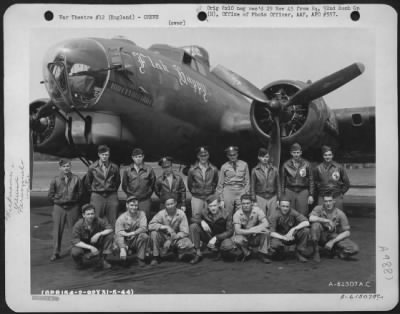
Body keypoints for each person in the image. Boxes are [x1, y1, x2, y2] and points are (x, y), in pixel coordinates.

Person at [48, 159, 82, 261]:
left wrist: (73, 201)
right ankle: (56, 252)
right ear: (60, 168)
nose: (66, 168)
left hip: (73, 207)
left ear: (70, 167)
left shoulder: (76, 179)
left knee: (74, 230)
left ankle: (75, 251)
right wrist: (59, 201)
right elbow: (50, 195)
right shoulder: (55, 179)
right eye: (64, 166)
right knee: (57, 231)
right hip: (59, 207)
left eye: (68, 166)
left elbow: (81, 193)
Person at [309, 193, 359, 263]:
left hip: (333, 237)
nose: (328, 203)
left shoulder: (340, 213)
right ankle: (316, 251)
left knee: (354, 249)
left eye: (330, 201)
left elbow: (347, 232)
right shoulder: (319, 208)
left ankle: (336, 252)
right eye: (326, 201)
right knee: (315, 225)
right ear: (323, 202)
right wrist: (326, 220)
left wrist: (333, 241)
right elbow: (311, 218)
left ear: (334, 201)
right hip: (320, 236)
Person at [148, 196, 195, 265]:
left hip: (176, 237)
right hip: (163, 237)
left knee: (188, 243)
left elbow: (185, 232)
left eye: (172, 204)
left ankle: (178, 251)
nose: (170, 206)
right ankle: (156, 256)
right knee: (154, 233)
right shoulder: (161, 214)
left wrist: (170, 240)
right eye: (168, 204)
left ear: (175, 203)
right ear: (165, 205)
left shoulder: (181, 214)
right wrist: (164, 227)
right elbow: (150, 225)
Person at [189, 194, 234, 264]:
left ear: (219, 204)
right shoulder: (204, 212)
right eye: (210, 206)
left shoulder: (226, 213)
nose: (213, 208)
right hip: (209, 236)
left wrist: (216, 238)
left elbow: (230, 231)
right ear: (208, 206)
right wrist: (202, 221)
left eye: (214, 205)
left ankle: (220, 251)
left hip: (221, 238)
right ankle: (198, 253)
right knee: (193, 226)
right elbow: (192, 219)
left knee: (228, 245)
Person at [268, 195, 312, 262]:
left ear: (290, 206)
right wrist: (283, 237)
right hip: (280, 237)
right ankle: (280, 252)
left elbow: (306, 222)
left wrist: (293, 229)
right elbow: (271, 232)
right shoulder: (274, 215)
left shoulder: (292, 212)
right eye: (283, 206)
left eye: (287, 206)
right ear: (279, 206)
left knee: (306, 231)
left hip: (292, 235)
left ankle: (298, 252)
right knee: (275, 245)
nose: (285, 208)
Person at [85, 145, 121, 226]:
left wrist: (112, 189)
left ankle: (113, 238)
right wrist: (95, 190)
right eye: (103, 155)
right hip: (97, 195)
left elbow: (117, 181)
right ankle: (96, 237)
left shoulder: (114, 167)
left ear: (109, 155)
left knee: (114, 219)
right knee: (95, 219)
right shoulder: (92, 167)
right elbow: (88, 182)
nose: (104, 157)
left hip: (111, 195)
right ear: (99, 155)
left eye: (106, 155)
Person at [71, 204, 114, 269]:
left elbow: (110, 228)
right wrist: (90, 247)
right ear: (83, 215)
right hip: (83, 246)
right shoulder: (78, 225)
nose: (90, 216)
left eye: (92, 213)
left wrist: (99, 234)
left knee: (109, 236)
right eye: (88, 214)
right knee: (75, 251)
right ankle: (79, 262)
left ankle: (103, 260)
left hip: (95, 243)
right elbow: (76, 241)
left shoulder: (98, 220)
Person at [231, 194, 271, 263]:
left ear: (252, 203)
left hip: (255, 236)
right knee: (235, 239)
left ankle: (262, 254)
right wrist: (251, 231)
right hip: (245, 236)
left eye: (248, 203)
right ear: (241, 204)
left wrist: (256, 228)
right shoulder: (237, 214)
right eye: (243, 203)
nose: (246, 205)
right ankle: (247, 253)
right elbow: (237, 231)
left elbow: (266, 223)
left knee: (266, 232)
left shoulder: (257, 210)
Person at [114, 196, 149, 267]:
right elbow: (118, 233)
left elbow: (144, 228)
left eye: (136, 205)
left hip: (135, 238)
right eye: (132, 205)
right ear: (127, 205)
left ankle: (140, 258)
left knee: (144, 236)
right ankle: (123, 258)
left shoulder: (142, 214)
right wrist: (122, 247)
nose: (134, 207)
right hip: (125, 240)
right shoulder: (121, 218)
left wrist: (132, 233)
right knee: (118, 239)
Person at [121, 148, 156, 220]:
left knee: (145, 219)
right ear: (132, 158)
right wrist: (131, 195)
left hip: (144, 200)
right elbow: (124, 185)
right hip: (131, 199)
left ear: (143, 157)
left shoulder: (149, 169)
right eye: (136, 157)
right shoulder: (127, 170)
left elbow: (152, 184)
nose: (138, 159)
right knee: (129, 220)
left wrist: (146, 194)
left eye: (140, 156)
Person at [281, 143, 314, 216]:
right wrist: (282, 195)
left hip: (303, 190)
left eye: (298, 152)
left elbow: (311, 180)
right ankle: (291, 227)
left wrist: (311, 194)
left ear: (301, 152)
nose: (296, 154)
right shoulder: (286, 164)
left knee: (303, 212)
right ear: (291, 153)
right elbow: (282, 181)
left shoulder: (307, 164)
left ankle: (302, 226)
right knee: (289, 212)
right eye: (294, 153)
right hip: (289, 190)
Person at [187, 146, 219, 223]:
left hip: (209, 197)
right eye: (201, 155)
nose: (203, 157)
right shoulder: (192, 169)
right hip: (197, 197)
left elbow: (215, 182)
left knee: (210, 218)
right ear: (198, 156)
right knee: (196, 218)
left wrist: (210, 191)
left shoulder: (214, 169)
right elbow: (190, 184)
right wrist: (196, 192)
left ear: (208, 156)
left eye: (205, 155)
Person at [216, 146, 250, 217]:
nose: (232, 157)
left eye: (234, 154)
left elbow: (247, 181)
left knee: (241, 213)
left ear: (237, 154)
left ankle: (238, 227)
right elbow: (220, 183)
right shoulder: (224, 166)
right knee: (228, 212)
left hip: (240, 189)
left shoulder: (244, 164)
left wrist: (247, 194)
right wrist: (221, 198)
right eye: (230, 155)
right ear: (227, 156)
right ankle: (229, 228)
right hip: (228, 190)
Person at [314, 145, 350, 210]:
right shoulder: (318, 168)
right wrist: (320, 191)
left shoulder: (339, 167)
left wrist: (341, 193)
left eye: (329, 155)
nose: (328, 157)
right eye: (326, 155)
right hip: (323, 196)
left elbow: (346, 183)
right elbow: (315, 182)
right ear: (323, 156)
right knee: (322, 215)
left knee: (337, 215)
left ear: (332, 155)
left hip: (336, 196)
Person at [250, 148, 280, 218]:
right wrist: (253, 200)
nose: (265, 159)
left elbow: (278, 185)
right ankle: (262, 229)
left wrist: (279, 199)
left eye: (266, 157)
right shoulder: (255, 170)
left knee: (273, 218)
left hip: (272, 196)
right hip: (260, 196)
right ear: (259, 157)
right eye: (262, 157)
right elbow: (252, 186)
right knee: (261, 217)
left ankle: (272, 229)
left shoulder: (274, 169)